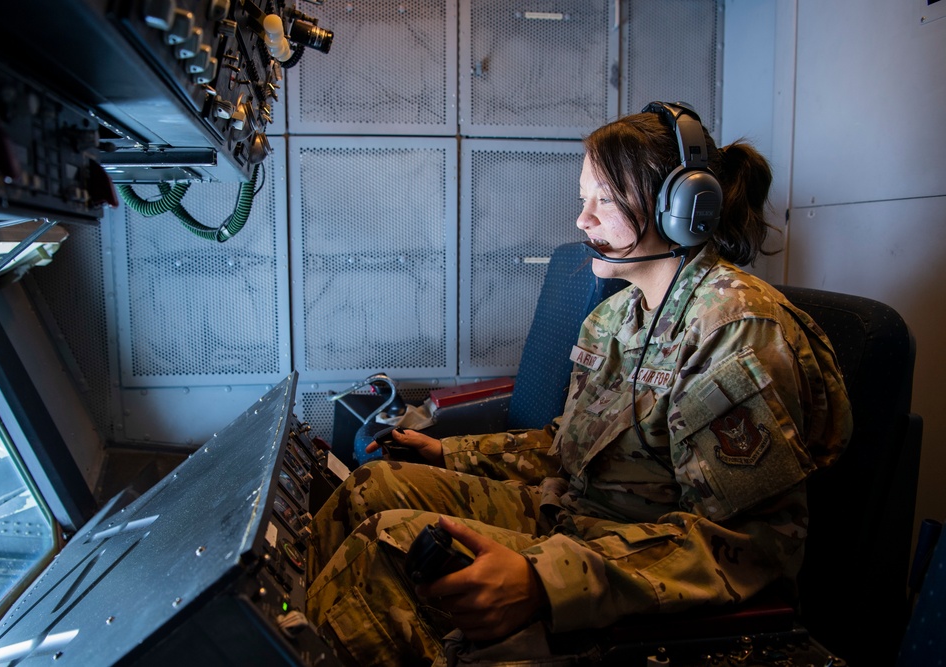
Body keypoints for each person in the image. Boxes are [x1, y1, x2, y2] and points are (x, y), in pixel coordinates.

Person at [304, 102, 853, 666]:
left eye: (604, 201)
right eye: (582, 199)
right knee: (368, 488)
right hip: (574, 518)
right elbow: (569, 449)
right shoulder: (614, 320)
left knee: (382, 549)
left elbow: (751, 549)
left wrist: (544, 582)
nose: (581, 220)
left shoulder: (734, 332)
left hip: (632, 563)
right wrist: (448, 452)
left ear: (678, 211)